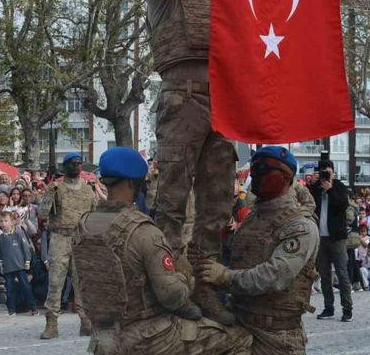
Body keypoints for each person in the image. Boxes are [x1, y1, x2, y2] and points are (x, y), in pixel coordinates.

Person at [146, 0, 236, 324]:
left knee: (217, 203)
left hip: (223, 97)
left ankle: (206, 286)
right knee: (172, 203)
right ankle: (166, 288)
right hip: (181, 97)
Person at [72, 146, 251, 355]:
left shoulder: (82, 227)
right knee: (239, 338)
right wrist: (185, 275)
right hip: (147, 337)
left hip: (103, 336)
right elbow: (173, 297)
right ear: (133, 183)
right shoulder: (143, 231)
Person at [195, 146, 318, 355]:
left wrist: (225, 277)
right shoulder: (253, 218)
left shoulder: (299, 226)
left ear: (285, 177)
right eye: (254, 168)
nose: (255, 174)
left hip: (275, 337)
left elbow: (274, 276)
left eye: (263, 169)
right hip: (238, 323)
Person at [38, 152, 96, 339]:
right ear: (65, 167)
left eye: (79, 163)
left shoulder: (88, 190)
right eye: (72, 163)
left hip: (81, 239)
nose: (77, 166)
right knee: (55, 282)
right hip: (60, 238)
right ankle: (51, 324)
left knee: (82, 283)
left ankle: (86, 321)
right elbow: (42, 213)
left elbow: (94, 215)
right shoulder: (57, 188)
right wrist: (50, 192)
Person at [308, 159, 352, 322]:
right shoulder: (316, 188)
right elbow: (308, 202)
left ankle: (347, 309)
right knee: (325, 275)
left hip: (337, 238)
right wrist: (312, 185)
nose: (326, 175)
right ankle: (329, 308)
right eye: (323, 172)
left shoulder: (339, 187)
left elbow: (342, 205)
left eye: (328, 172)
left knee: (342, 273)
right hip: (320, 238)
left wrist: (330, 190)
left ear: (333, 172)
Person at [0, 211, 37, 316]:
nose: (3, 223)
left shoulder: (18, 234)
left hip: (20, 266)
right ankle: (11, 309)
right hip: (8, 268)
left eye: (6, 221)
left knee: (26, 287)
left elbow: (26, 249)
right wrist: (1, 264)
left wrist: (27, 261)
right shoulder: (1, 238)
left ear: (12, 222)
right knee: (9, 289)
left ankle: (33, 307)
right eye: (1, 221)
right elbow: (0, 252)